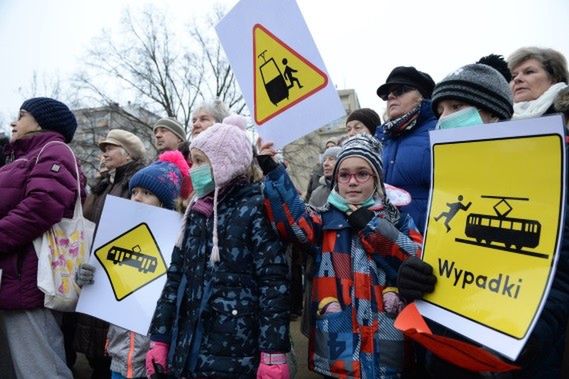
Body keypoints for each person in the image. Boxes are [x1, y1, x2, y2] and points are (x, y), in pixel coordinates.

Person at [399, 56, 569, 379]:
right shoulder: (448, 178)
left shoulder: (547, 170)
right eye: (440, 111)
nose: (443, 120)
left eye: (455, 106)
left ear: (492, 114)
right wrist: (414, 279)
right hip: (449, 352)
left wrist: (533, 332)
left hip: (516, 359)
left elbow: (561, 274)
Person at [260, 133, 423, 378]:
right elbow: (292, 220)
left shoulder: (397, 218)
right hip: (340, 340)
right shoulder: (325, 220)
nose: (352, 181)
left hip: (386, 341)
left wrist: (369, 225)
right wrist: (273, 172)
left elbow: (414, 258)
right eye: (344, 175)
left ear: (377, 178)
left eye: (362, 174)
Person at [145, 115, 291, 378]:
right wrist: (160, 338)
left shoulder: (255, 208)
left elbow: (273, 286)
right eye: (193, 161)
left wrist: (273, 354)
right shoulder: (195, 211)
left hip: (235, 352)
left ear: (225, 163)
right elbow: (175, 278)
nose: (193, 169)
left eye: (200, 161)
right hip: (187, 349)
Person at [76, 150, 190, 379]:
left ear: (167, 202)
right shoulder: (120, 233)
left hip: (155, 359)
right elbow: (112, 289)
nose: (136, 198)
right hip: (119, 354)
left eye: (147, 193)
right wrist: (89, 277)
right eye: (134, 192)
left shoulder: (181, 243)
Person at [0, 97, 84, 378]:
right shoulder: (24, 156)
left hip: (31, 281)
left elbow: (42, 206)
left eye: (22, 114)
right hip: (14, 277)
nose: (15, 121)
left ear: (40, 122)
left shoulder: (54, 151)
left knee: (40, 369)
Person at [74, 129, 147, 379]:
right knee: (96, 353)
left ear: (127, 154)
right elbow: (87, 218)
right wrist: (98, 186)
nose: (103, 154)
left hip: (120, 273)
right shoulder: (108, 183)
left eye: (110, 148)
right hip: (96, 271)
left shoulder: (136, 182)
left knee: (111, 353)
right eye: (102, 150)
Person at [375, 66, 437, 233]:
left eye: (400, 90)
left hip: (427, 240)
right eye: (387, 94)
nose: (390, 96)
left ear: (422, 96)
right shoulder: (380, 138)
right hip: (386, 241)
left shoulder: (440, 131)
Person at [508, 47, 569, 119]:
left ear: (554, 78)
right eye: (513, 76)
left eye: (529, 72)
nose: (517, 79)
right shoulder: (499, 118)